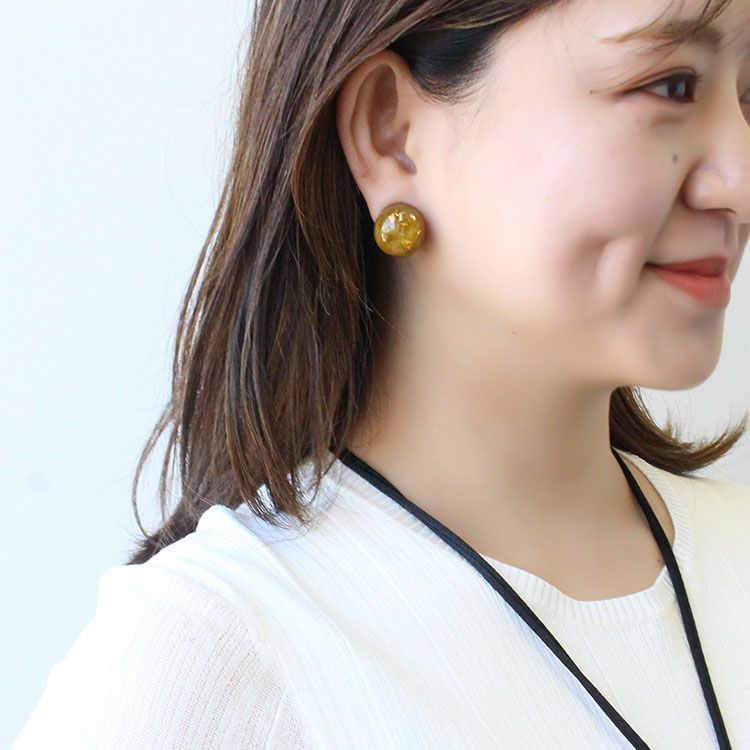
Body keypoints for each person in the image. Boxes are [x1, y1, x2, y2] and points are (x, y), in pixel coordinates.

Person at [13, 0, 750, 747]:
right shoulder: (216, 656)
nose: (740, 181)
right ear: (390, 133)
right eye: (670, 86)